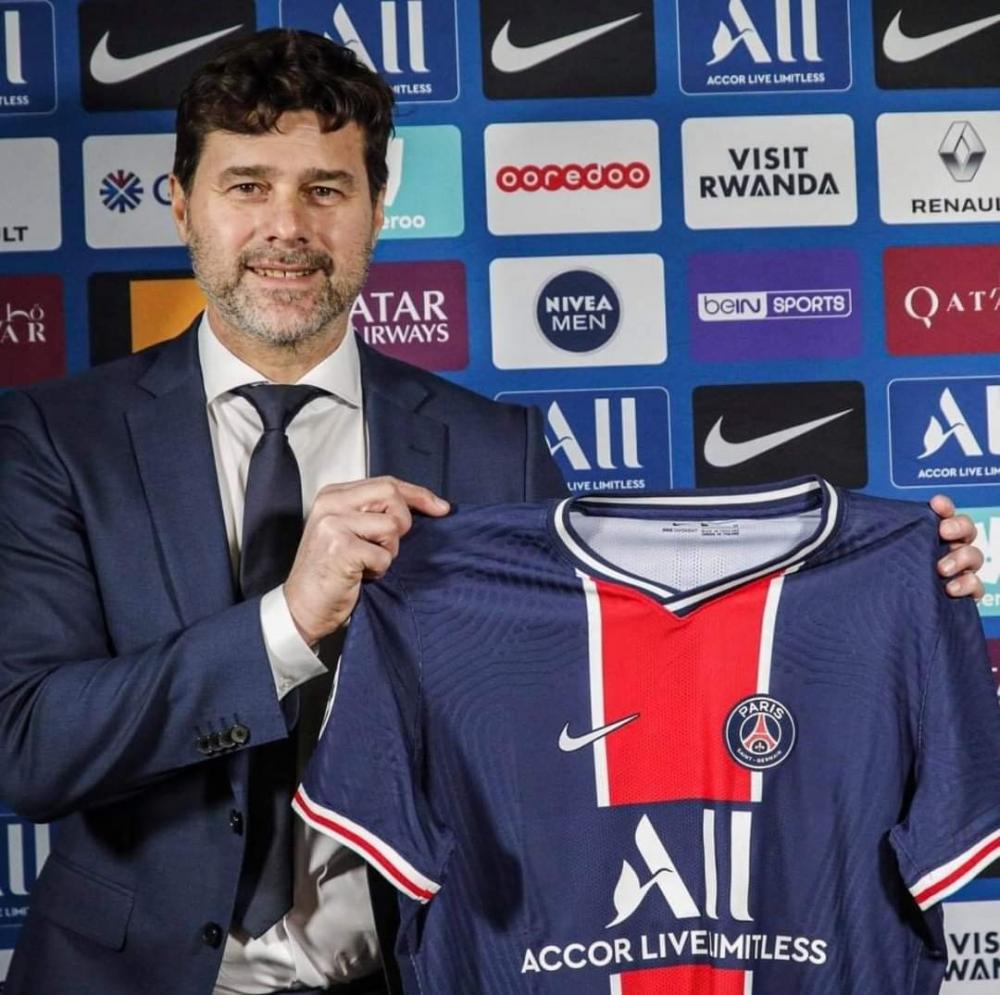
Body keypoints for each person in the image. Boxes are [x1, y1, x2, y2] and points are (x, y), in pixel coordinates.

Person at [0, 27, 982, 995]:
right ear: (182, 204)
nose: (286, 227)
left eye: (326, 190)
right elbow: (30, 744)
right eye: (247, 186)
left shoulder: (492, 447)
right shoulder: (56, 437)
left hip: (404, 970)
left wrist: (880, 594)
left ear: (378, 208)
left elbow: (601, 704)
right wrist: (288, 625)